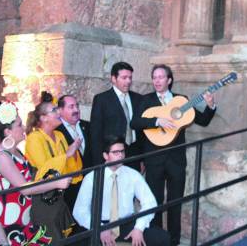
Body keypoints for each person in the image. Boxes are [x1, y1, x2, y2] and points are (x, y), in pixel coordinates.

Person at [130, 64, 216, 246]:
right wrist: (156, 121)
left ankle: (174, 241)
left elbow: (202, 120)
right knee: (155, 202)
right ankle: (157, 240)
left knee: (175, 202)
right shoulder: (146, 100)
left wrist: (210, 106)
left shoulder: (181, 100)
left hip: (176, 159)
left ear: (169, 80)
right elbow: (135, 122)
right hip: (154, 159)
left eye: (161, 77)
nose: (157, 81)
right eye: (154, 77)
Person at [0, 100, 70, 245]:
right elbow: (25, 188)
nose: (23, 127)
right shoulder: (2, 157)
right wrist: (55, 183)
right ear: (7, 132)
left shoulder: (17, 152)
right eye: (19, 125)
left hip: (24, 221)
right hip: (9, 225)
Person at [73, 135, 170, 246]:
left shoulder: (132, 174)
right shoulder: (92, 177)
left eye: (122, 151)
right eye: (115, 152)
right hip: (100, 223)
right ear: (105, 155)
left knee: (162, 238)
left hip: (126, 223)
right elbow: (79, 211)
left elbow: (150, 202)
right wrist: (99, 228)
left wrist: (139, 228)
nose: (120, 156)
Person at [25, 100, 82, 240]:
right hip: (44, 196)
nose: (58, 113)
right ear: (44, 118)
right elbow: (44, 169)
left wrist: (73, 153)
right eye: (54, 110)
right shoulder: (34, 138)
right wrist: (67, 155)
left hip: (61, 194)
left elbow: (71, 168)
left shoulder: (60, 135)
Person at [90, 61, 143, 169]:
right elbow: (95, 133)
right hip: (112, 156)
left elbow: (141, 131)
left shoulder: (138, 99)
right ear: (113, 79)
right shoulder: (102, 99)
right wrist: (100, 162)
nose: (128, 81)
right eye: (124, 78)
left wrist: (142, 159)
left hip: (134, 155)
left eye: (130, 77)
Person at [55, 94, 91, 207]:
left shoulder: (88, 126)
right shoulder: (56, 131)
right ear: (60, 110)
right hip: (69, 186)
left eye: (77, 106)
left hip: (89, 181)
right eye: (71, 107)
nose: (76, 110)